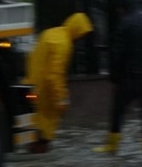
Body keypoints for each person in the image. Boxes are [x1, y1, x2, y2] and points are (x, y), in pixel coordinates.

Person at [94, 0, 142, 157]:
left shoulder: (125, 23)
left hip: (129, 80)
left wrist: (114, 78)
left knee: (117, 111)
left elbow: (117, 54)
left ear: (123, 7)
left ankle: (112, 148)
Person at [24, 12, 94, 153]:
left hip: (32, 86)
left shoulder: (50, 33)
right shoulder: (64, 44)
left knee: (31, 129)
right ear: (78, 29)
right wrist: (61, 99)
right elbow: (55, 75)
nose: (81, 38)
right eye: (82, 34)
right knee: (44, 134)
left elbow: (32, 56)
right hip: (46, 94)